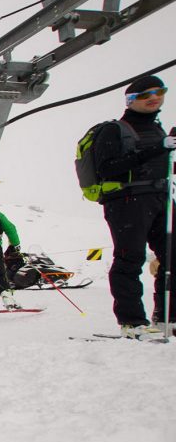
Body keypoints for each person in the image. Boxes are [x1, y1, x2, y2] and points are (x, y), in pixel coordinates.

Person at [91, 75, 175, 339]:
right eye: (144, 95)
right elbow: (108, 169)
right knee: (130, 257)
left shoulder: (160, 130)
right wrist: (157, 149)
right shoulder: (115, 130)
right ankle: (132, 321)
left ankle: (167, 317)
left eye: (159, 91)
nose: (153, 98)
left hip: (161, 196)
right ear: (130, 100)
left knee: (172, 256)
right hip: (127, 201)